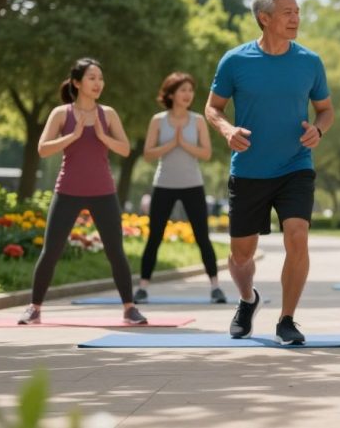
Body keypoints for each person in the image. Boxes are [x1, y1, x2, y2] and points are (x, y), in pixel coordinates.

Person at [205, 0, 334, 345]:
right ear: (265, 18)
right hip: (248, 170)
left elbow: (325, 110)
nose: (296, 18)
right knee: (240, 255)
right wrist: (226, 128)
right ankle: (248, 300)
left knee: (298, 236)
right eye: (288, 12)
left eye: (297, 11)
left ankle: (287, 319)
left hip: (296, 165)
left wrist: (318, 132)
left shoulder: (310, 61)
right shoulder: (235, 61)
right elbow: (212, 107)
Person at [19, 58, 147, 325]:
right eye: (91, 78)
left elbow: (124, 149)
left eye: (100, 78)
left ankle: (129, 308)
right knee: (51, 250)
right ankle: (34, 307)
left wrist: (103, 136)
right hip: (68, 190)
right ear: (77, 83)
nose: (98, 83)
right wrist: (73, 136)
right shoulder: (61, 114)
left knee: (116, 252)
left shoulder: (108, 114)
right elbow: (43, 149)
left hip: (103, 191)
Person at [136, 72, 225, 304]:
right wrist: (170, 144)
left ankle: (215, 287)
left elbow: (206, 153)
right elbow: (147, 154)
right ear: (171, 94)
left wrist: (183, 143)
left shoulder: (197, 120)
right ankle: (143, 287)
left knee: (202, 237)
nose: (188, 95)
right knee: (154, 237)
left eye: (190, 90)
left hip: (192, 185)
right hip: (163, 184)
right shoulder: (158, 120)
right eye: (183, 90)